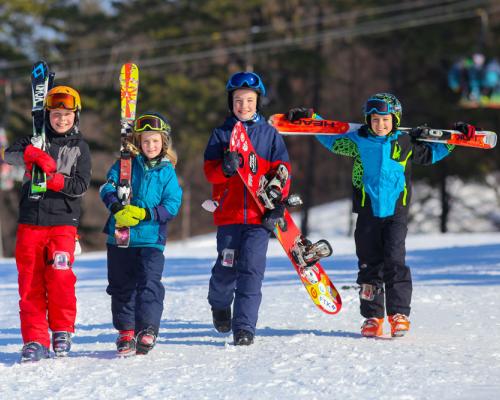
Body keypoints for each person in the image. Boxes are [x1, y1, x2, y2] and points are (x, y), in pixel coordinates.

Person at [287, 93, 476, 338]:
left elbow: (432, 153)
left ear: (395, 120)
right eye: (375, 119)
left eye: (386, 120)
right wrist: (312, 119)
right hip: (367, 214)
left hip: (396, 214)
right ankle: (372, 317)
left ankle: (398, 314)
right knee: (369, 265)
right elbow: (331, 139)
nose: (380, 125)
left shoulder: (406, 142)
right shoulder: (358, 141)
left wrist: (454, 138)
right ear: (368, 120)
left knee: (395, 262)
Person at [3, 85, 91, 361]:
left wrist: (52, 178)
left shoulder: (80, 147)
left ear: (75, 116)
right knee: (29, 283)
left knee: (61, 277)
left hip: (63, 223)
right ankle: (35, 340)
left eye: (66, 114)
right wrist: (32, 153)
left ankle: (62, 330)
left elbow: (80, 185)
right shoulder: (34, 140)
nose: (61, 119)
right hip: (30, 222)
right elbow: (8, 154)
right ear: (47, 115)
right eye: (55, 114)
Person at [203, 71, 291, 345]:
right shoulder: (221, 134)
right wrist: (225, 169)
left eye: (250, 100)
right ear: (231, 102)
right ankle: (219, 304)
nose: (244, 106)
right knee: (226, 270)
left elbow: (282, 170)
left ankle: (244, 328)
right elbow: (209, 173)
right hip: (229, 216)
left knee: (252, 271)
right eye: (239, 100)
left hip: (258, 217)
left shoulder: (269, 135)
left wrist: (278, 202)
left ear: (258, 102)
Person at [100, 112, 182, 356]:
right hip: (120, 237)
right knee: (121, 285)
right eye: (145, 141)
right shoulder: (125, 164)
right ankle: (125, 331)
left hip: (150, 239)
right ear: (138, 142)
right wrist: (115, 206)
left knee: (149, 283)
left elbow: (173, 204)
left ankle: (147, 328)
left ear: (164, 143)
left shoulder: (167, 172)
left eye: (155, 141)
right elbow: (107, 187)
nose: (150, 146)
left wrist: (146, 214)